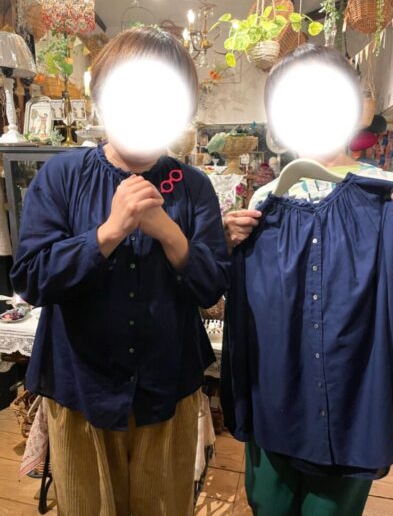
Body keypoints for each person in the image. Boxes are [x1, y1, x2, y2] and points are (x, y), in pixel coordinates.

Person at [11, 27, 230, 516]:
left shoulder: (191, 186)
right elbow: (30, 278)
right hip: (80, 386)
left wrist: (170, 235)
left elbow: (213, 285)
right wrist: (108, 233)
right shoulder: (62, 176)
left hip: (168, 386)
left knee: (164, 506)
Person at [223, 44, 393, 516]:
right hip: (275, 392)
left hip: (351, 401)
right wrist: (228, 242)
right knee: (268, 503)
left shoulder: (387, 194)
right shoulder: (264, 200)